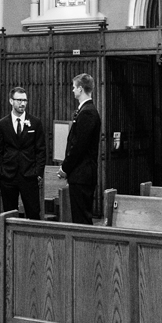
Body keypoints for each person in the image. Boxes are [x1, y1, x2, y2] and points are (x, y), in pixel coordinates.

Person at [0, 87, 46, 220]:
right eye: (19, 100)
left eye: (25, 100)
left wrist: (38, 172)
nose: (22, 104)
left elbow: (41, 150)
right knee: (9, 214)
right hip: (8, 175)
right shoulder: (3, 123)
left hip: (29, 175)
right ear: (11, 101)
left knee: (33, 212)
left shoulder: (35, 123)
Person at [61, 73, 101, 225]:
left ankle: (86, 248)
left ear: (80, 89)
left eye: (74, 87)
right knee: (79, 217)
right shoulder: (85, 110)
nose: (72, 91)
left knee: (82, 219)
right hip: (80, 174)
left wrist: (65, 168)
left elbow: (79, 147)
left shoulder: (88, 112)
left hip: (82, 174)